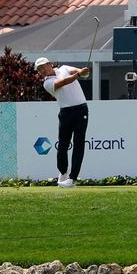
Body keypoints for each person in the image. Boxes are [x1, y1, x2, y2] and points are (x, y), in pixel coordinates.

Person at [35, 56, 89, 189]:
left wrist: (84, 72)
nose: (41, 70)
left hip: (81, 110)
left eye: (43, 66)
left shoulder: (64, 68)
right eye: (39, 69)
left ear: (49, 64)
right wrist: (79, 74)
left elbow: (80, 72)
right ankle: (63, 172)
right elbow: (64, 82)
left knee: (78, 144)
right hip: (65, 113)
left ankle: (73, 179)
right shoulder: (47, 83)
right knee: (63, 145)